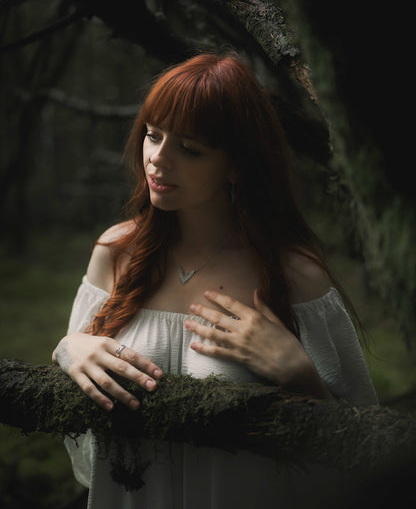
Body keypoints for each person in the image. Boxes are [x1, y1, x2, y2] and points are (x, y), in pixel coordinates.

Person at [53, 52, 378, 508]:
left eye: (190, 149)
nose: (158, 160)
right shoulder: (115, 254)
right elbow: (83, 438)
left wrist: (303, 378)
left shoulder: (295, 277)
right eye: (153, 136)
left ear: (237, 164)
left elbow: (370, 455)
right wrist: (68, 348)